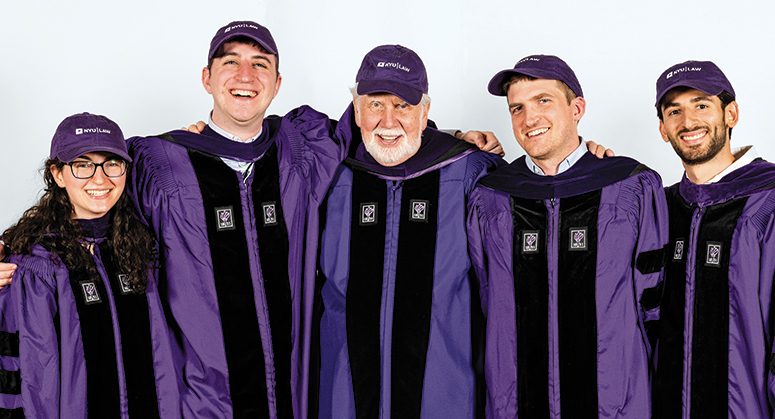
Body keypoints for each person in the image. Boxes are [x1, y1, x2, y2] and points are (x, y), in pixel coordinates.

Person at [124, 21, 346, 419]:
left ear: (277, 84)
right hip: (202, 401)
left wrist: (456, 139)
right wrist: (15, 250)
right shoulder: (159, 164)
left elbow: (384, 134)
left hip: (292, 399)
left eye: (260, 64)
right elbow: (86, 204)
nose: (246, 76)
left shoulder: (299, 153)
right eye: (231, 62)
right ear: (207, 78)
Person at [466, 55, 669, 418]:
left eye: (544, 100)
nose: (529, 119)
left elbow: (654, 306)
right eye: (517, 108)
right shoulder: (491, 197)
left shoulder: (630, 187)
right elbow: (485, 299)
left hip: (615, 405)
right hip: (515, 404)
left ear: (577, 108)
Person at [313, 44, 504, 419]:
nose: (388, 121)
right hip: (344, 400)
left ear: (425, 111)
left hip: (445, 400)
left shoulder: (469, 174)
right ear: (355, 109)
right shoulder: (328, 176)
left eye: (403, 106)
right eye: (375, 105)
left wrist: (586, 155)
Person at [0, 113, 179, 418]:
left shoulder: (141, 246)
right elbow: (32, 384)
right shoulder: (35, 265)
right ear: (58, 174)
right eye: (83, 165)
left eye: (112, 163)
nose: (100, 179)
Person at [651, 61, 775, 418]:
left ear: (731, 114)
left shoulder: (767, 201)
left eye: (701, 104)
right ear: (663, 128)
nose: (688, 122)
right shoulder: (659, 207)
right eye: (674, 111)